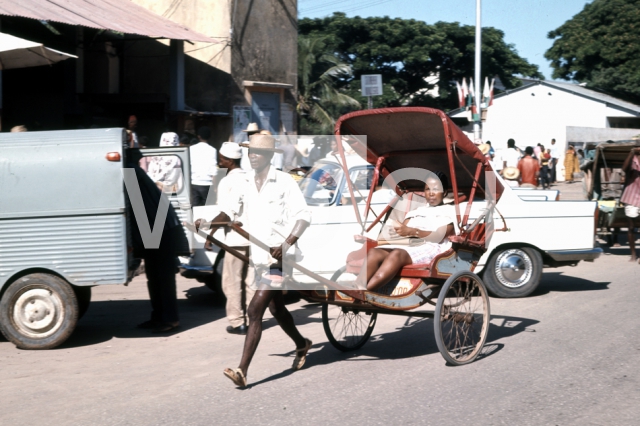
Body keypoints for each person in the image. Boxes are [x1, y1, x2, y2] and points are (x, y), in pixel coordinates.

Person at [197, 134, 312, 388]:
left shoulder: (283, 181)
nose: (252, 157)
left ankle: (242, 370)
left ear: (270, 156)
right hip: (260, 257)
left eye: (258, 153)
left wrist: (287, 243)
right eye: (250, 152)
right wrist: (208, 224)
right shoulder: (245, 182)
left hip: (281, 257)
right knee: (277, 308)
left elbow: (304, 215)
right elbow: (228, 211)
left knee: (254, 311)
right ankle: (302, 344)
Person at [356, 172, 456, 291]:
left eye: (436, 189)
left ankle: (366, 291)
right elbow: (403, 230)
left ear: (444, 192)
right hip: (409, 245)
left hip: (432, 247)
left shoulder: (450, 211)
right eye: (427, 189)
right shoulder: (416, 211)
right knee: (374, 252)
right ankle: (358, 287)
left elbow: (439, 236)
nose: (431, 193)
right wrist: (397, 231)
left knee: (397, 254)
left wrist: (413, 231)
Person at [125, 149, 186, 333]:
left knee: (163, 277)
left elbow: (138, 207)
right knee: (154, 277)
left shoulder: (130, 171)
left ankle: (170, 319)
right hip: (154, 227)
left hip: (159, 227)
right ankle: (159, 316)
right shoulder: (132, 170)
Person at [208, 142, 255, 334]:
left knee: (232, 281)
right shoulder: (251, 177)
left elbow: (226, 213)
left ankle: (237, 322)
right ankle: (254, 320)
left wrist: (208, 230)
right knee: (252, 282)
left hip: (236, 239)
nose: (219, 162)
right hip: (254, 238)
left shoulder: (228, 181)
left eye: (221, 159)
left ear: (228, 161)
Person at [189, 126, 218, 206]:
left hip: (194, 183)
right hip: (207, 184)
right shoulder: (212, 150)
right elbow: (213, 171)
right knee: (207, 210)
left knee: (195, 210)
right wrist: (215, 187)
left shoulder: (191, 149)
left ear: (199, 136)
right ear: (209, 137)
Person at [621, 147, 640, 263]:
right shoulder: (633, 158)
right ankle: (633, 254)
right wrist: (632, 152)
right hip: (632, 194)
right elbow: (624, 169)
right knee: (631, 227)